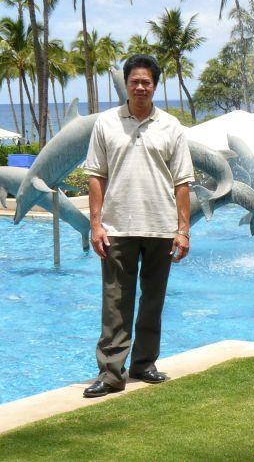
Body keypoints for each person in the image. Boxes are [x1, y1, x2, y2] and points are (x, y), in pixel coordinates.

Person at [82, 54, 194, 398]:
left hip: (160, 226)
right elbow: (95, 176)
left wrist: (183, 229)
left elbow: (183, 182)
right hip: (117, 226)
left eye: (146, 82)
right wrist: (96, 225)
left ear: (155, 86)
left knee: (152, 300)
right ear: (126, 85)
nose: (140, 87)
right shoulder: (106, 123)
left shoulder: (171, 126)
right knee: (115, 300)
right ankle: (112, 372)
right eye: (135, 81)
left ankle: (144, 363)